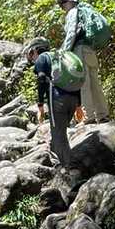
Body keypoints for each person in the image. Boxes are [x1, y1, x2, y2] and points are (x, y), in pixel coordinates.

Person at [27, 37, 81, 169]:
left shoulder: (42, 58)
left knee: (58, 135)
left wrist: (40, 105)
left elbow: (41, 79)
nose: (31, 57)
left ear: (35, 50)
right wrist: (79, 105)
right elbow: (74, 78)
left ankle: (70, 168)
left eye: (31, 53)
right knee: (60, 132)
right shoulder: (59, 57)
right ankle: (59, 160)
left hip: (57, 98)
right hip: (73, 98)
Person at [59, 0, 109, 124]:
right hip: (90, 50)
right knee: (95, 84)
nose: (62, 5)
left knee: (83, 84)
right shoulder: (84, 12)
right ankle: (103, 115)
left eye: (64, 2)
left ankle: (88, 117)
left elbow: (71, 33)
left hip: (80, 51)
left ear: (72, 2)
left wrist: (64, 52)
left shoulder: (73, 12)